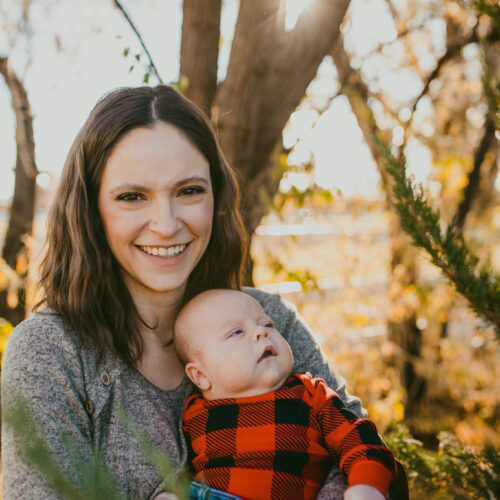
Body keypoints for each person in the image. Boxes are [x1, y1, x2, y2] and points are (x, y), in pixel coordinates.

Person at [2, 85, 363, 500]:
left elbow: (364, 460)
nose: (166, 224)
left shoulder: (270, 321)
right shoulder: (50, 352)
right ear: (91, 209)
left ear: (216, 197)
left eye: (189, 191)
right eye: (132, 197)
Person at [174, 289, 397, 500]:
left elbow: (359, 438)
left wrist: (366, 485)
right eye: (237, 332)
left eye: (267, 324)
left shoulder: (310, 394)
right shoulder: (192, 412)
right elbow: (170, 469)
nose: (261, 332)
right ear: (200, 375)